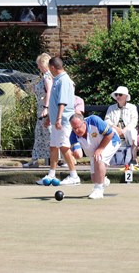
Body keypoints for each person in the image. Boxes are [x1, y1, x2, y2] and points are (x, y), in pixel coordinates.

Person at [36, 57, 80, 185]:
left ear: (53, 68)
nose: (49, 71)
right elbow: (54, 102)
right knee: (53, 147)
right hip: (56, 120)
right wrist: (50, 118)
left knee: (64, 147)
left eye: (50, 68)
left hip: (64, 120)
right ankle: (51, 174)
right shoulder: (57, 80)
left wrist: (59, 118)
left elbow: (62, 102)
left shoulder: (64, 81)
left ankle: (74, 175)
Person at [69, 113, 121, 199]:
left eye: (78, 127)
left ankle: (98, 190)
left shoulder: (94, 121)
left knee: (99, 158)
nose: (77, 130)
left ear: (84, 123)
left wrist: (100, 149)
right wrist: (75, 154)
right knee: (94, 178)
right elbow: (79, 155)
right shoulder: (73, 136)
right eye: (74, 128)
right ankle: (102, 180)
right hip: (95, 151)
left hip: (112, 141)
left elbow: (110, 133)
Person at [23, 53, 52, 168]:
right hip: (42, 109)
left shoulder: (47, 76)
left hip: (45, 111)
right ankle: (35, 159)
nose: (38, 67)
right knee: (40, 135)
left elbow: (49, 91)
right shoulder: (46, 76)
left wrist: (46, 108)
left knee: (48, 135)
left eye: (39, 64)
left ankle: (61, 159)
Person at [104, 86, 138, 165]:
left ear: (126, 96)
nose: (118, 96)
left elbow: (134, 121)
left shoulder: (132, 107)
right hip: (115, 130)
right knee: (108, 132)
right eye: (116, 95)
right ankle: (107, 159)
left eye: (120, 94)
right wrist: (116, 128)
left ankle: (134, 158)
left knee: (132, 132)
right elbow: (107, 120)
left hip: (127, 130)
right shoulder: (111, 108)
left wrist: (124, 130)